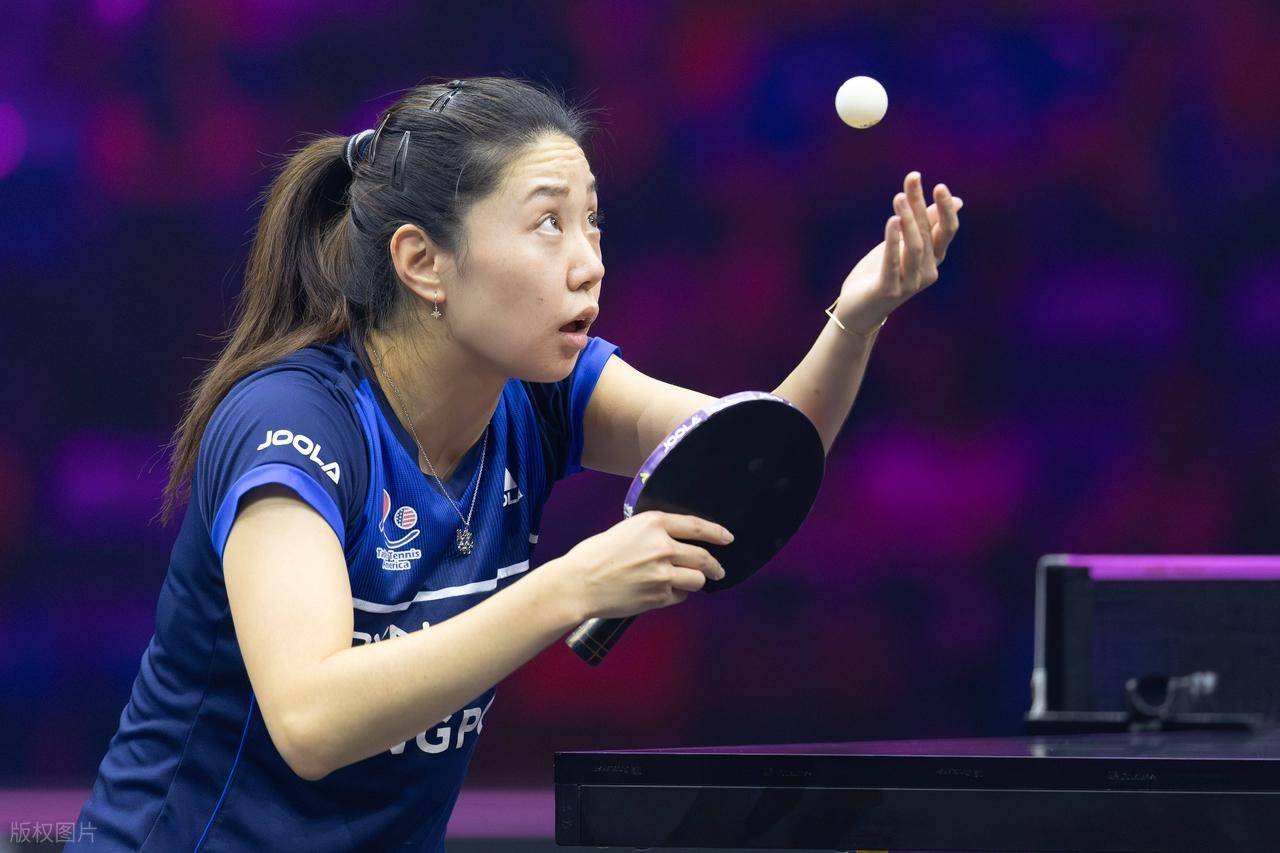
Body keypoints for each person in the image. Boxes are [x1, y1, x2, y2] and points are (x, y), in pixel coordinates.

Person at [70, 76, 962, 851]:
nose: (590, 264)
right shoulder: (294, 423)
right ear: (424, 262)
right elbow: (311, 718)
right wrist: (569, 586)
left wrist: (855, 322)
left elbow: (754, 457)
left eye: (593, 223)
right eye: (547, 225)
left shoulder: (541, 394)